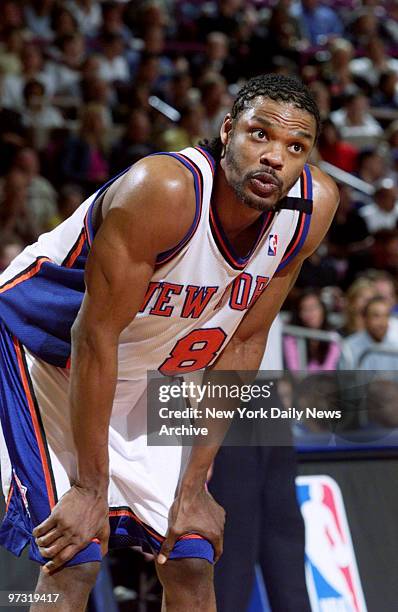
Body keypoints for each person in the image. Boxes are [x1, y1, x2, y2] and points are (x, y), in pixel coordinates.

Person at [0, 74, 338, 611]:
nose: (276, 157)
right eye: (260, 135)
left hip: (142, 369)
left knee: (190, 557)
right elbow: (94, 338)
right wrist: (90, 489)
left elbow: (245, 343)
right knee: (77, 554)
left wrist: (195, 486)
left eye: (296, 147)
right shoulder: (164, 190)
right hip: (43, 353)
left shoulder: (310, 209)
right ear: (227, 131)